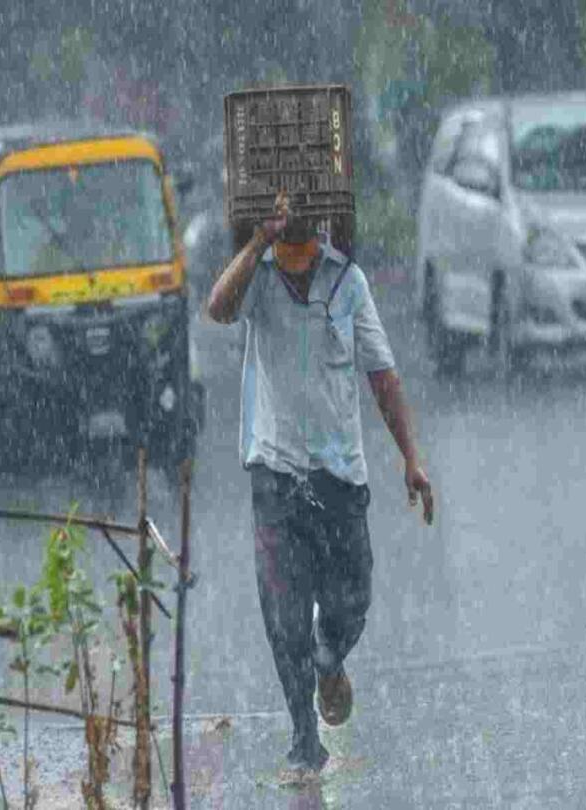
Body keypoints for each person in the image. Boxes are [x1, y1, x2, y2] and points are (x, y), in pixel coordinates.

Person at [206, 190, 434, 776]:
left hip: (339, 480)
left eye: (298, 202)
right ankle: (305, 741)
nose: (291, 211)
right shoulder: (255, 278)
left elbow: (382, 376)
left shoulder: (347, 282)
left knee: (351, 599)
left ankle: (330, 659)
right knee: (284, 620)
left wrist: (411, 458)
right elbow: (218, 307)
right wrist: (259, 238)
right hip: (276, 480)